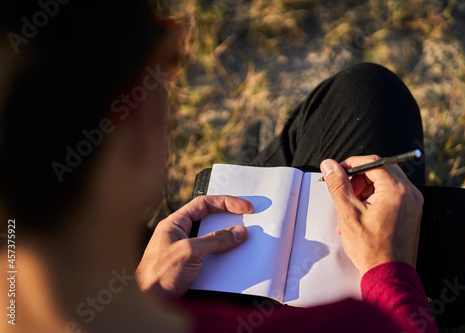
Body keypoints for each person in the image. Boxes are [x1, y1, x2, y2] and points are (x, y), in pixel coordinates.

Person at [0, 1, 437, 332]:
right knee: (371, 96)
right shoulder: (352, 324)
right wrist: (391, 270)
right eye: (163, 56)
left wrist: (143, 289)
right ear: (132, 124)